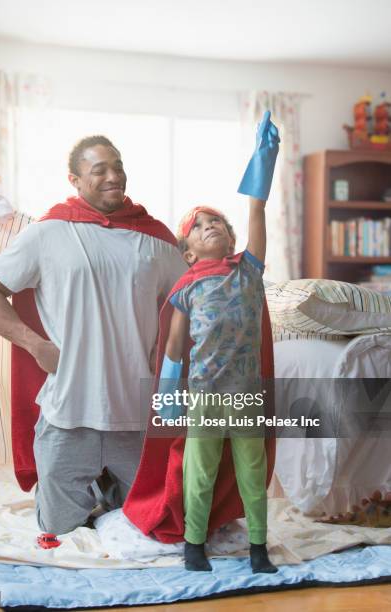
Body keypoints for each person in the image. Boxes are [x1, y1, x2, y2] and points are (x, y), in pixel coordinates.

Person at [0, 135, 186, 535]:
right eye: (99, 169)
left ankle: (103, 496)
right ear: (75, 179)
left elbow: (187, 302)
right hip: (68, 414)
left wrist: (165, 350)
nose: (113, 175)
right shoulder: (47, 233)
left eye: (117, 166)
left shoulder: (155, 239)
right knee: (59, 533)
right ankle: (86, 496)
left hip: (135, 416)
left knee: (152, 529)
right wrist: (35, 345)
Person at [158, 111, 280, 572]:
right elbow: (174, 347)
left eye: (217, 221)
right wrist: (169, 398)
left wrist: (263, 160)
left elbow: (256, 210)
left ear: (229, 239)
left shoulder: (248, 271)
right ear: (188, 252)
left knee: (252, 471)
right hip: (204, 396)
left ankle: (259, 547)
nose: (210, 224)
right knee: (200, 470)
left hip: (246, 393)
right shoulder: (187, 286)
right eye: (199, 223)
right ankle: (193, 544)